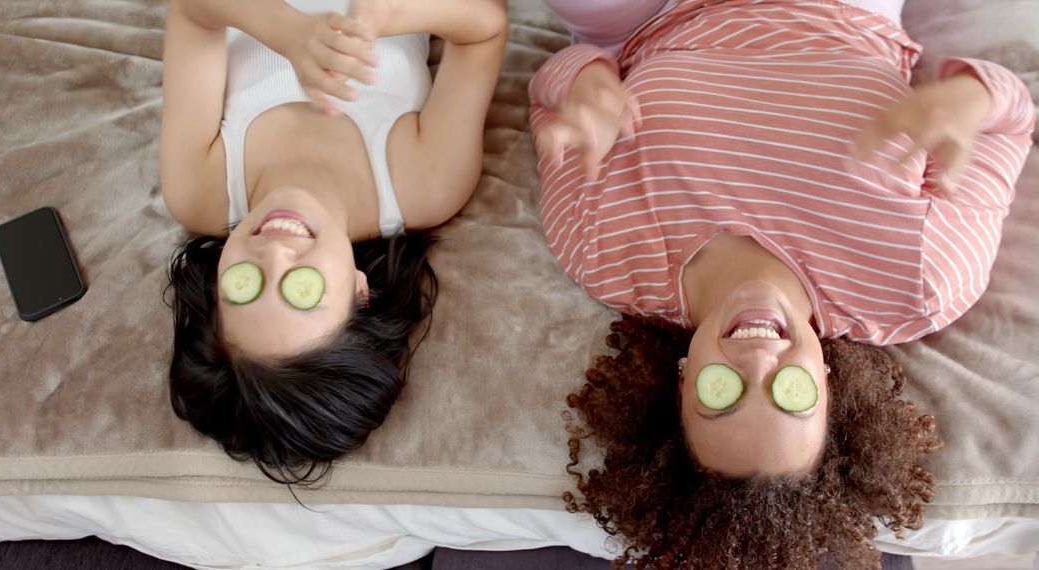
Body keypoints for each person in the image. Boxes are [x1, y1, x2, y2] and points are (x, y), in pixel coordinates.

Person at [529, 0, 1033, 566]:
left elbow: (554, 81)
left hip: (656, 17)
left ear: (680, 384)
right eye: (790, 395)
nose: (759, 360)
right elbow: (1015, 114)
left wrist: (587, 79)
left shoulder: (601, 250)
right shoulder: (921, 282)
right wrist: (969, 101)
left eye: (722, 393)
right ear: (828, 384)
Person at [159, 0, 506, 484]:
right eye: (302, 288)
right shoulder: (424, 185)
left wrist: (288, 30)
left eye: (245, 284)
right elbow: (484, 29)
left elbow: (193, 11)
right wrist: (387, 18)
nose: (276, 254)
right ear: (360, 295)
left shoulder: (198, 189)